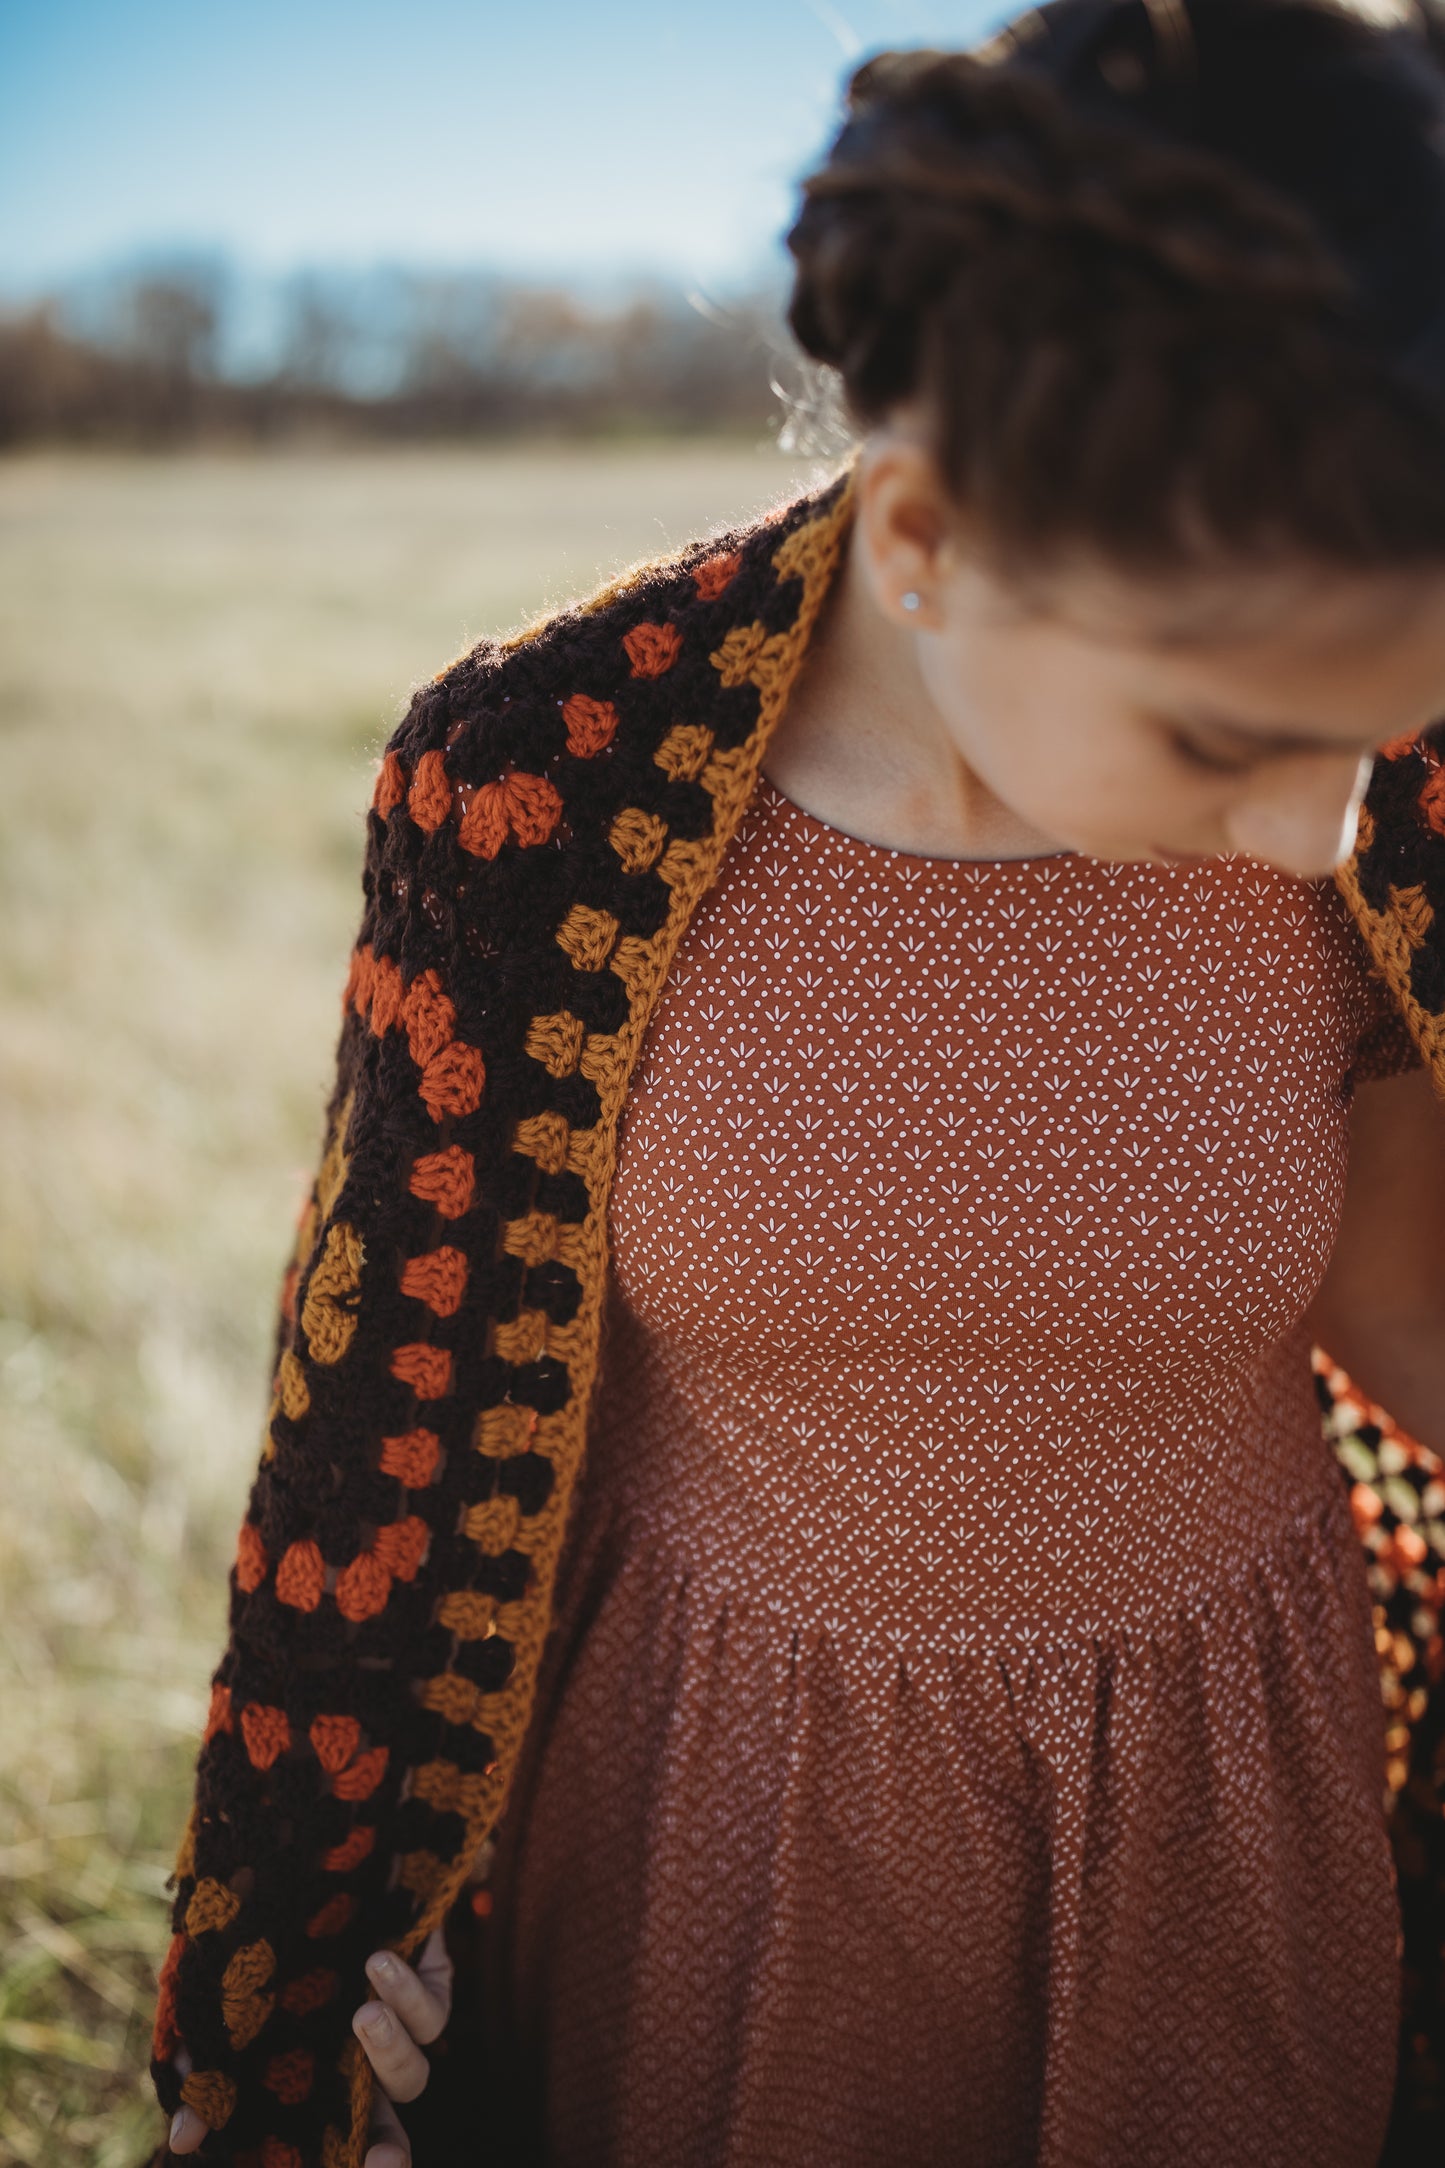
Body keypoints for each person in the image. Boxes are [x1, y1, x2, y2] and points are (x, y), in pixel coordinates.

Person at [154, 2, 1445, 2164]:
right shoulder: (537, 791)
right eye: (1225, 738)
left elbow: (1412, 1305)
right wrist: (298, 1990)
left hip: (1222, 1814)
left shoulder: (1389, 813)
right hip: (714, 1831)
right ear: (931, 535)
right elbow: (383, 1423)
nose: (1322, 826)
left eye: (1382, 725)